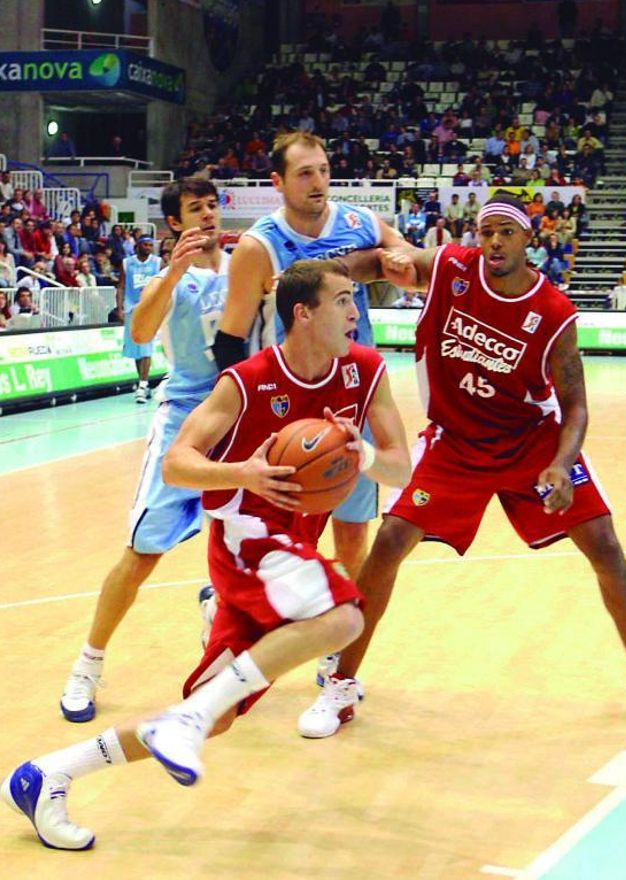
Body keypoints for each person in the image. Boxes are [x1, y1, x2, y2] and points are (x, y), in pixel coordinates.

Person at [1, 259, 411, 851]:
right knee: (347, 616)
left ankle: (48, 775)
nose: (356, 313)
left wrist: (363, 453)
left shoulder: (366, 372)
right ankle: (185, 722)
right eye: (345, 301)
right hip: (245, 533)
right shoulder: (246, 381)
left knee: (214, 711)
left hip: (290, 548)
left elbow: (402, 466)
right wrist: (241, 470)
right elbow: (177, 462)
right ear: (305, 313)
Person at [297, 193, 626, 738]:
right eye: (485, 231)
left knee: (604, 544)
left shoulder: (554, 311)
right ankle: (343, 684)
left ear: (526, 238)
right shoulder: (449, 269)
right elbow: (383, 262)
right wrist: (331, 275)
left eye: (505, 232)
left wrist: (562, 464)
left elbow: (576, 403)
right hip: (454, 444)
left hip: (530, 443)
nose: (493, 241)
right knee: (391, 542)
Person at [58, 178, 230, 723]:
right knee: (142, 554)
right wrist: (175, 270)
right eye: (193, 210)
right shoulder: (170, 279)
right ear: (175, 224)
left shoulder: (248, 268)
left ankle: (220, 609)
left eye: (211, 206)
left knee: (258, 542)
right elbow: (139, 328)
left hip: (241, 417)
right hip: (186, 421)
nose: (206, 216)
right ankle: (87, 664)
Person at [212, 130, 406, 582]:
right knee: (282, 540)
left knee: (354, 537)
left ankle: (341, 646)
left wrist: (373, 264)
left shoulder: (360, 224)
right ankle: (229, 599)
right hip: (285, 409)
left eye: (323, 170)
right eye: (304, 174)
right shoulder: (258, 246)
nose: (318, 182)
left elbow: (410, 260)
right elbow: (230, 339)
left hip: (352, 398)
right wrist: (238, 414)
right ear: (278, 182)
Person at [116, 235, 162, 403]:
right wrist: (120, 308)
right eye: (146, 245)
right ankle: (144, 383)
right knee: (136, 349)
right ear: (138, 246)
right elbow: (120, 286)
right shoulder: (127, 263)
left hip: (149, 308)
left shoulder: (157, 263)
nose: (149, 247)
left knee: (146, 347)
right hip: (131, 308)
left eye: (151, 245)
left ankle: (142, 386)